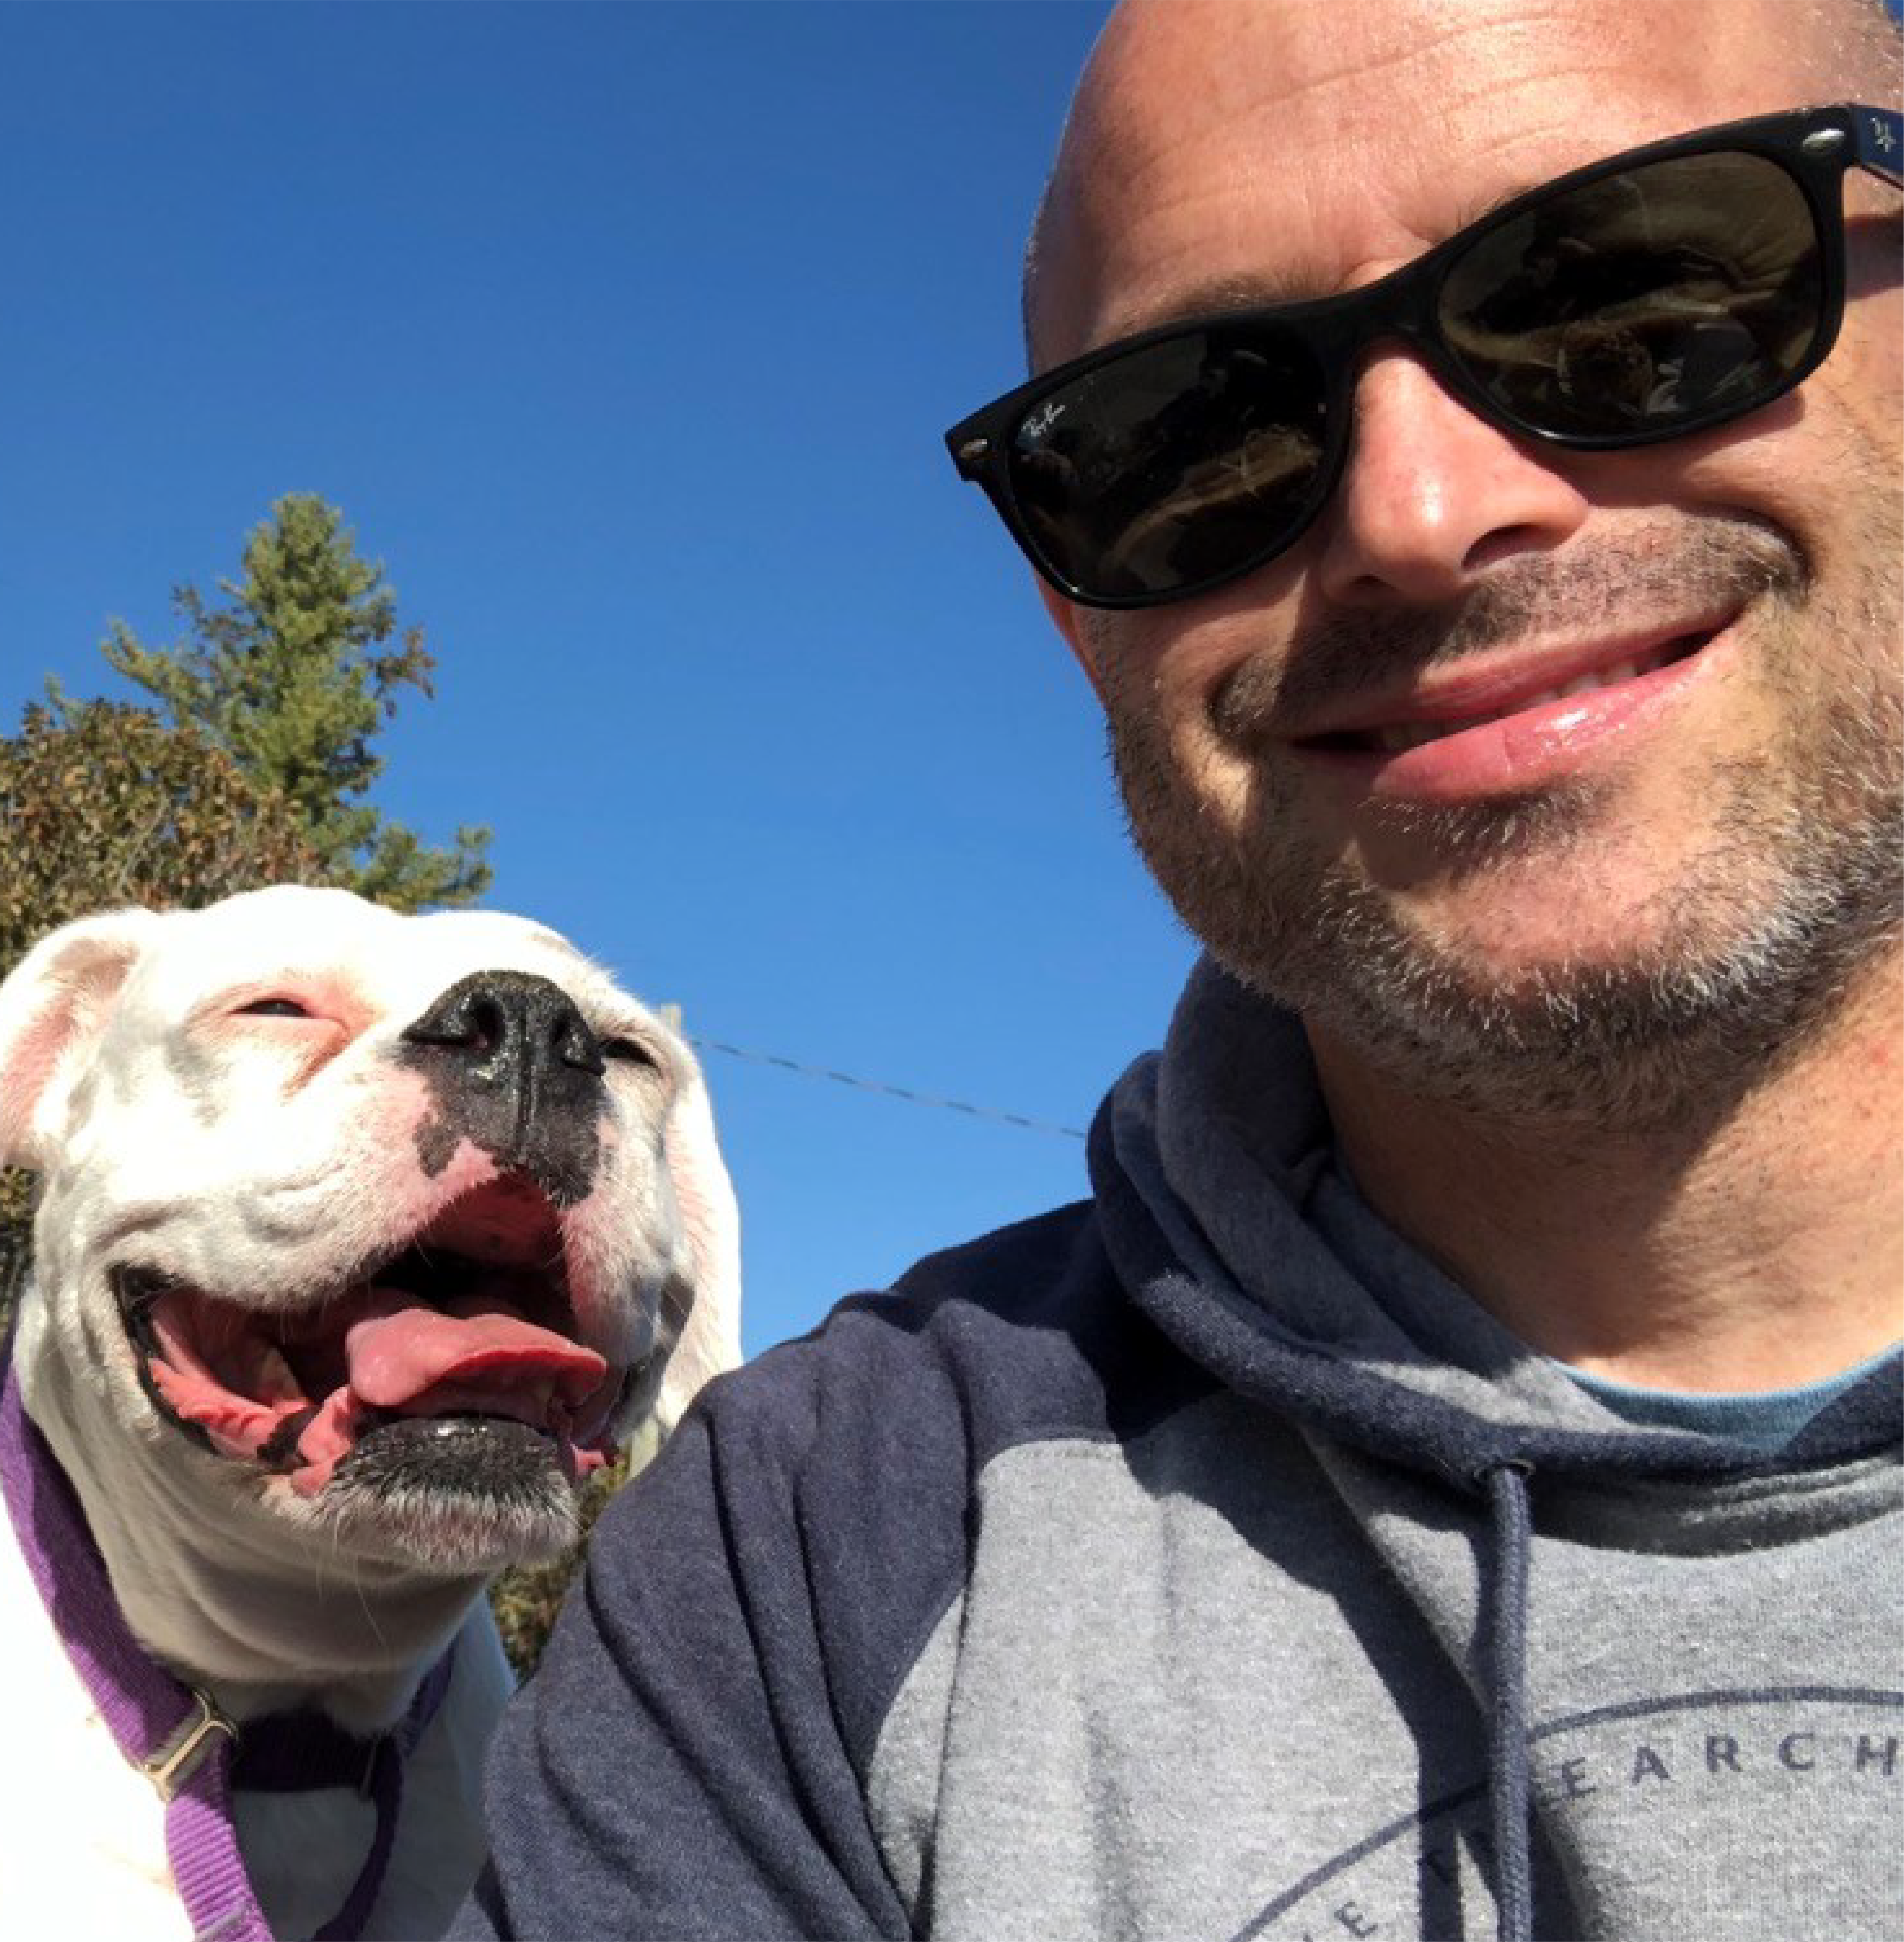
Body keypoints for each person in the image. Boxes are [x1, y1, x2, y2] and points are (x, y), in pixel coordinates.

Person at [454, 0, 1902, 1935]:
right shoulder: (811, 1554)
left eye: (1623, 297)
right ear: (1081, 625)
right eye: (1195, 437)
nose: (1416, 514)